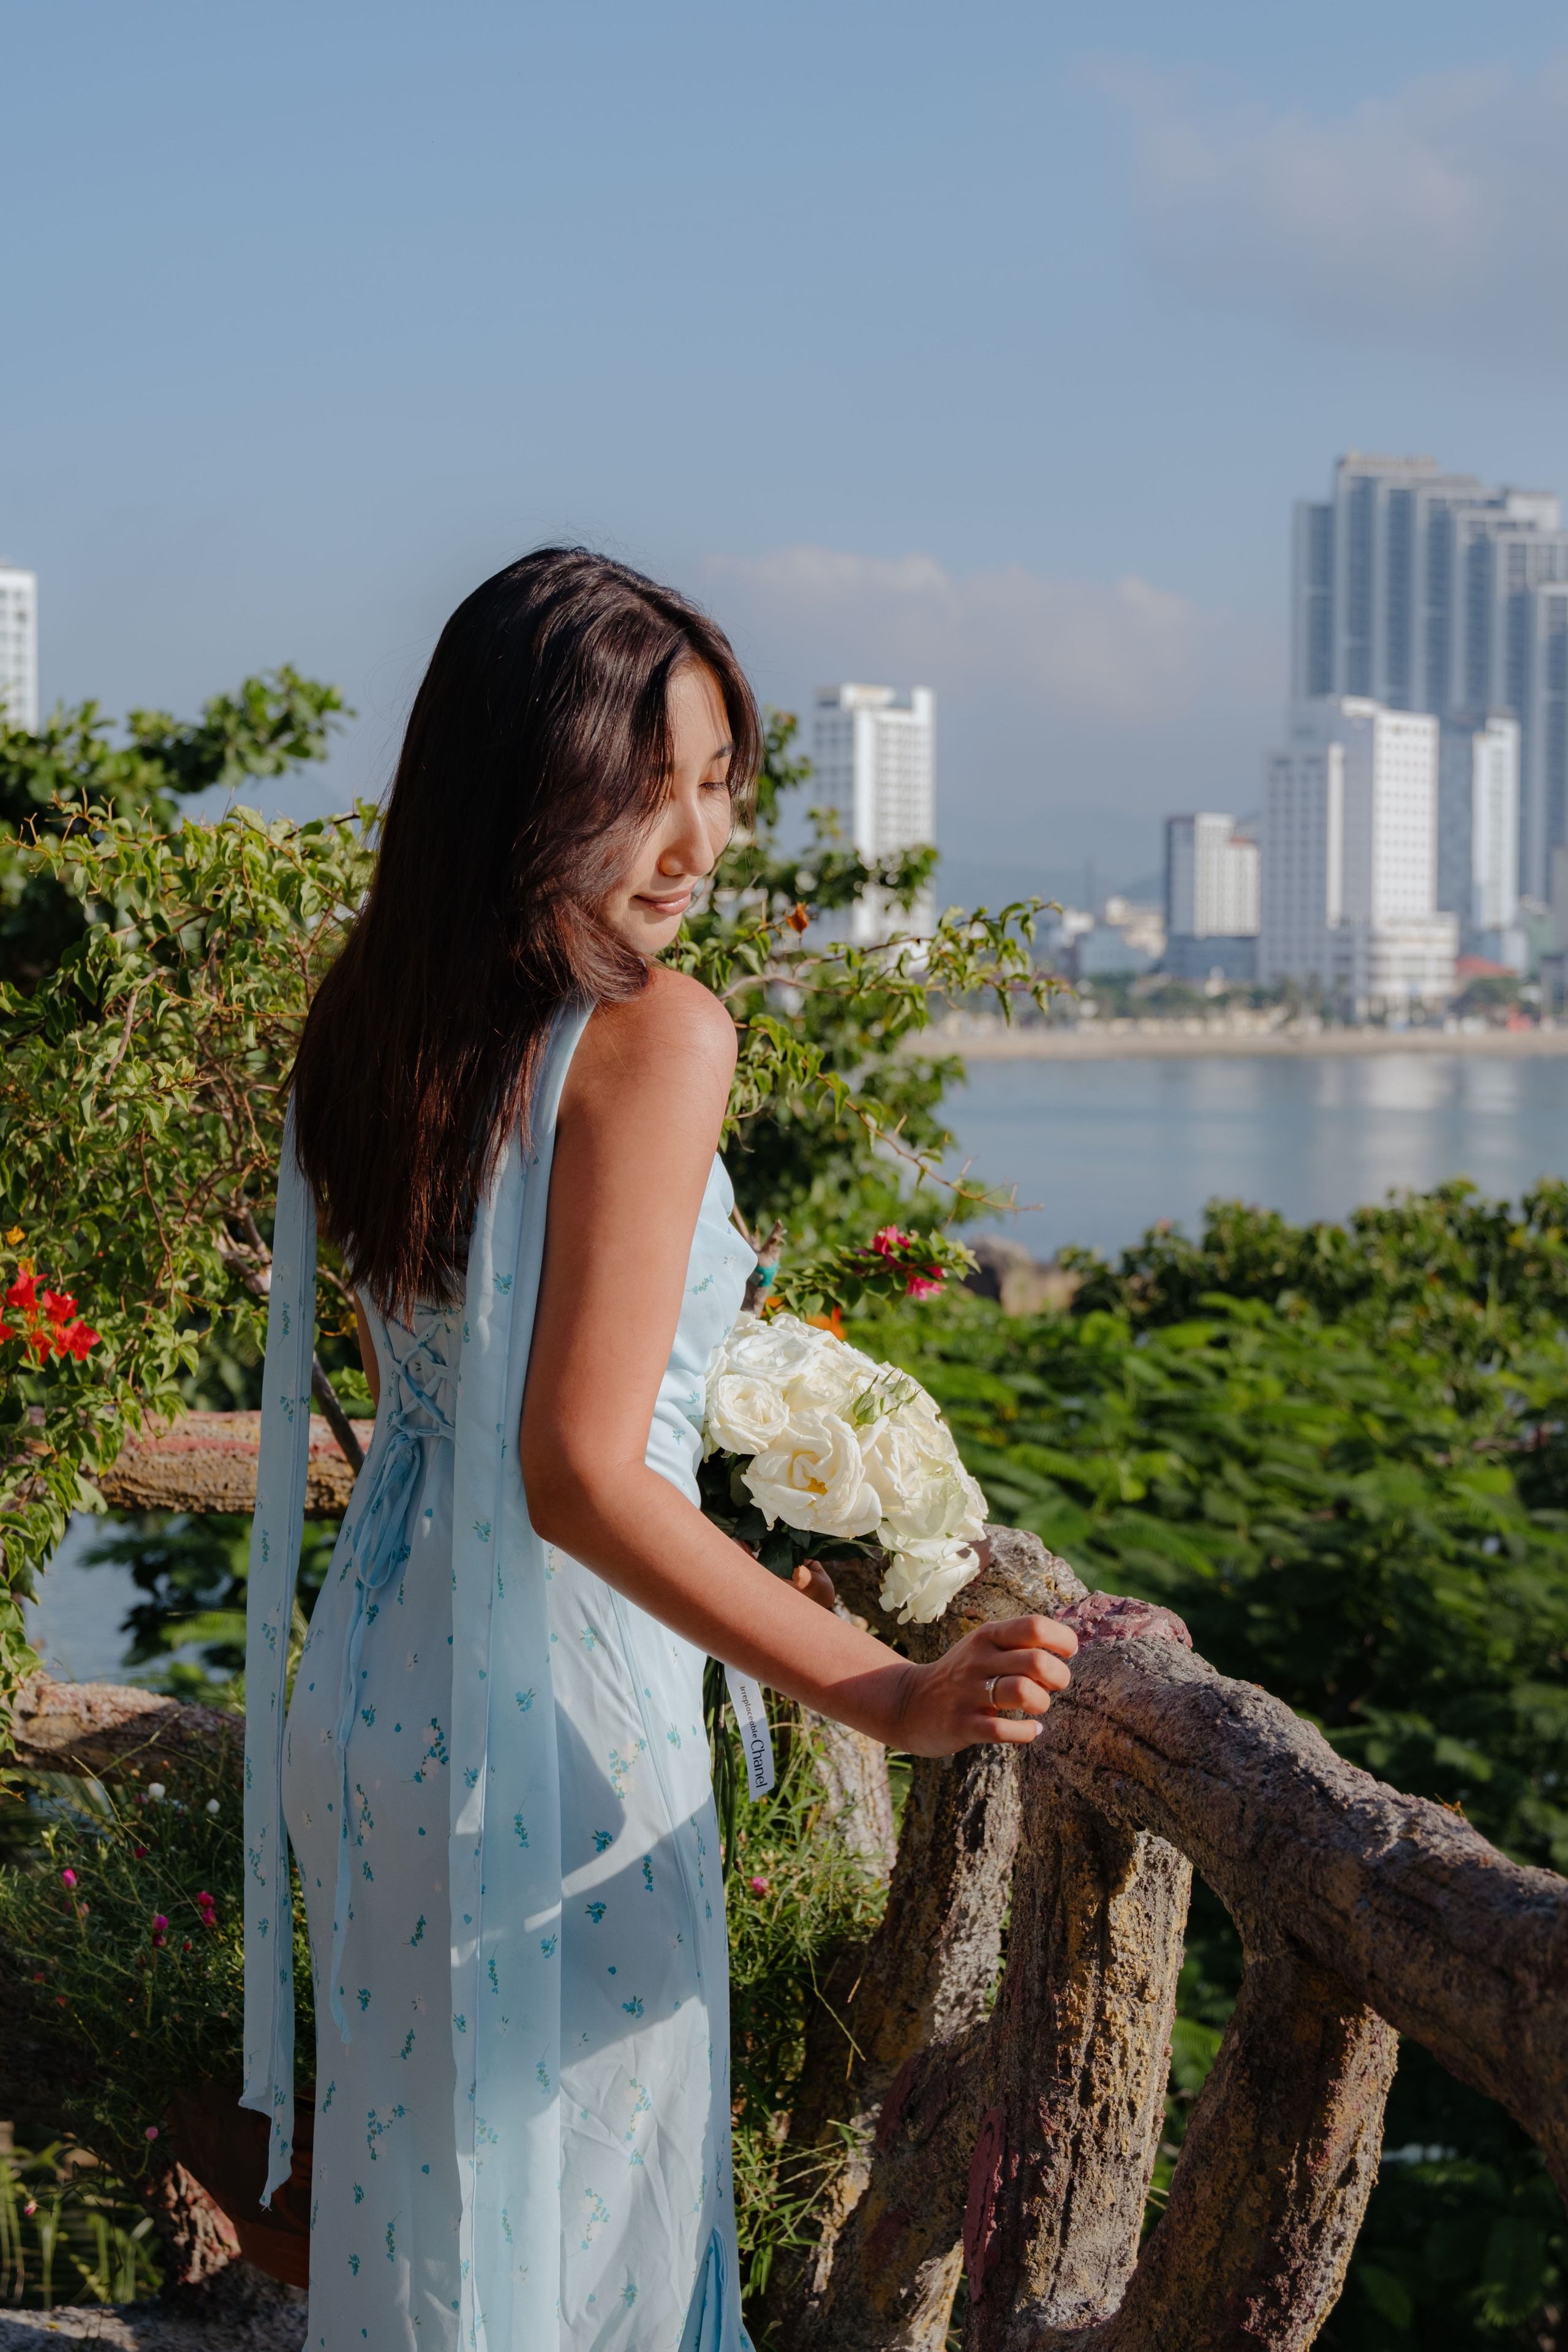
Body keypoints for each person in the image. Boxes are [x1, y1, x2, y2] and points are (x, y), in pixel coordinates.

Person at [245, 548, 1077, 2352]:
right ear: (527, 780)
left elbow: (470, 1385)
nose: (698, 844)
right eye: (649, 788)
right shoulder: (651, 1034)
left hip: (375, 1702)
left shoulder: (373, 1011)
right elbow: (578, 1468)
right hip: (552, 1719)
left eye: (718, 784)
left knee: (441, 2252)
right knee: (586, 2263)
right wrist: (889, 1691)